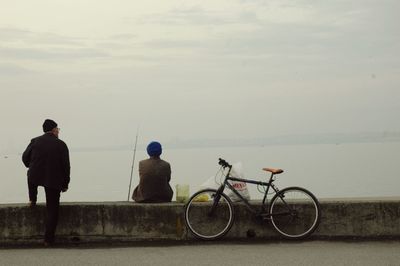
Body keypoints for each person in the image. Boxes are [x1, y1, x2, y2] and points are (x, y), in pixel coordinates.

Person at [22, 119, 70, 246]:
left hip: (35, 175)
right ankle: (48, 240)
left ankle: (32, 199)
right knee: (52, 209)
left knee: (31, 177)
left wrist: (31, 165)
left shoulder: (35, 141)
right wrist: (65, 184)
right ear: (54, 130)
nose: (58, 131)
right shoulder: (61, 144)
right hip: (53, 179)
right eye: (58, 129)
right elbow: (66, 166)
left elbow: (24, 157)